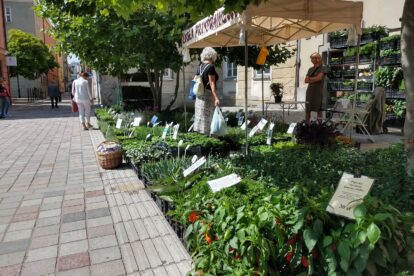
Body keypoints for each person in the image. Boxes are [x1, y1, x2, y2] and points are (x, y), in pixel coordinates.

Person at [193, 47, 220, 135]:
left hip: (199, 95)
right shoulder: (211, 67)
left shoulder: (199, 67)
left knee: (200, 117)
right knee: (207, 117)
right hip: (207, 96)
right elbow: (212, 83)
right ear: (213, 56)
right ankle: (208, 136)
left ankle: (200, 136)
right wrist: (216, 97)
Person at [305, 52, 327, 124]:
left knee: (318, 110)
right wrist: (313, 79)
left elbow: (319, 78)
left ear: (317, 59)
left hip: (318, 92)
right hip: (309, 91)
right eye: (311, 59)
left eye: (312, 58)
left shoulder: (323, 67)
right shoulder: (310, 69)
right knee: (308, 110)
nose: (311, 60)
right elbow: (305, 80)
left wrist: (310, 79)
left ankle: (320, 126)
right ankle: (307, 126)